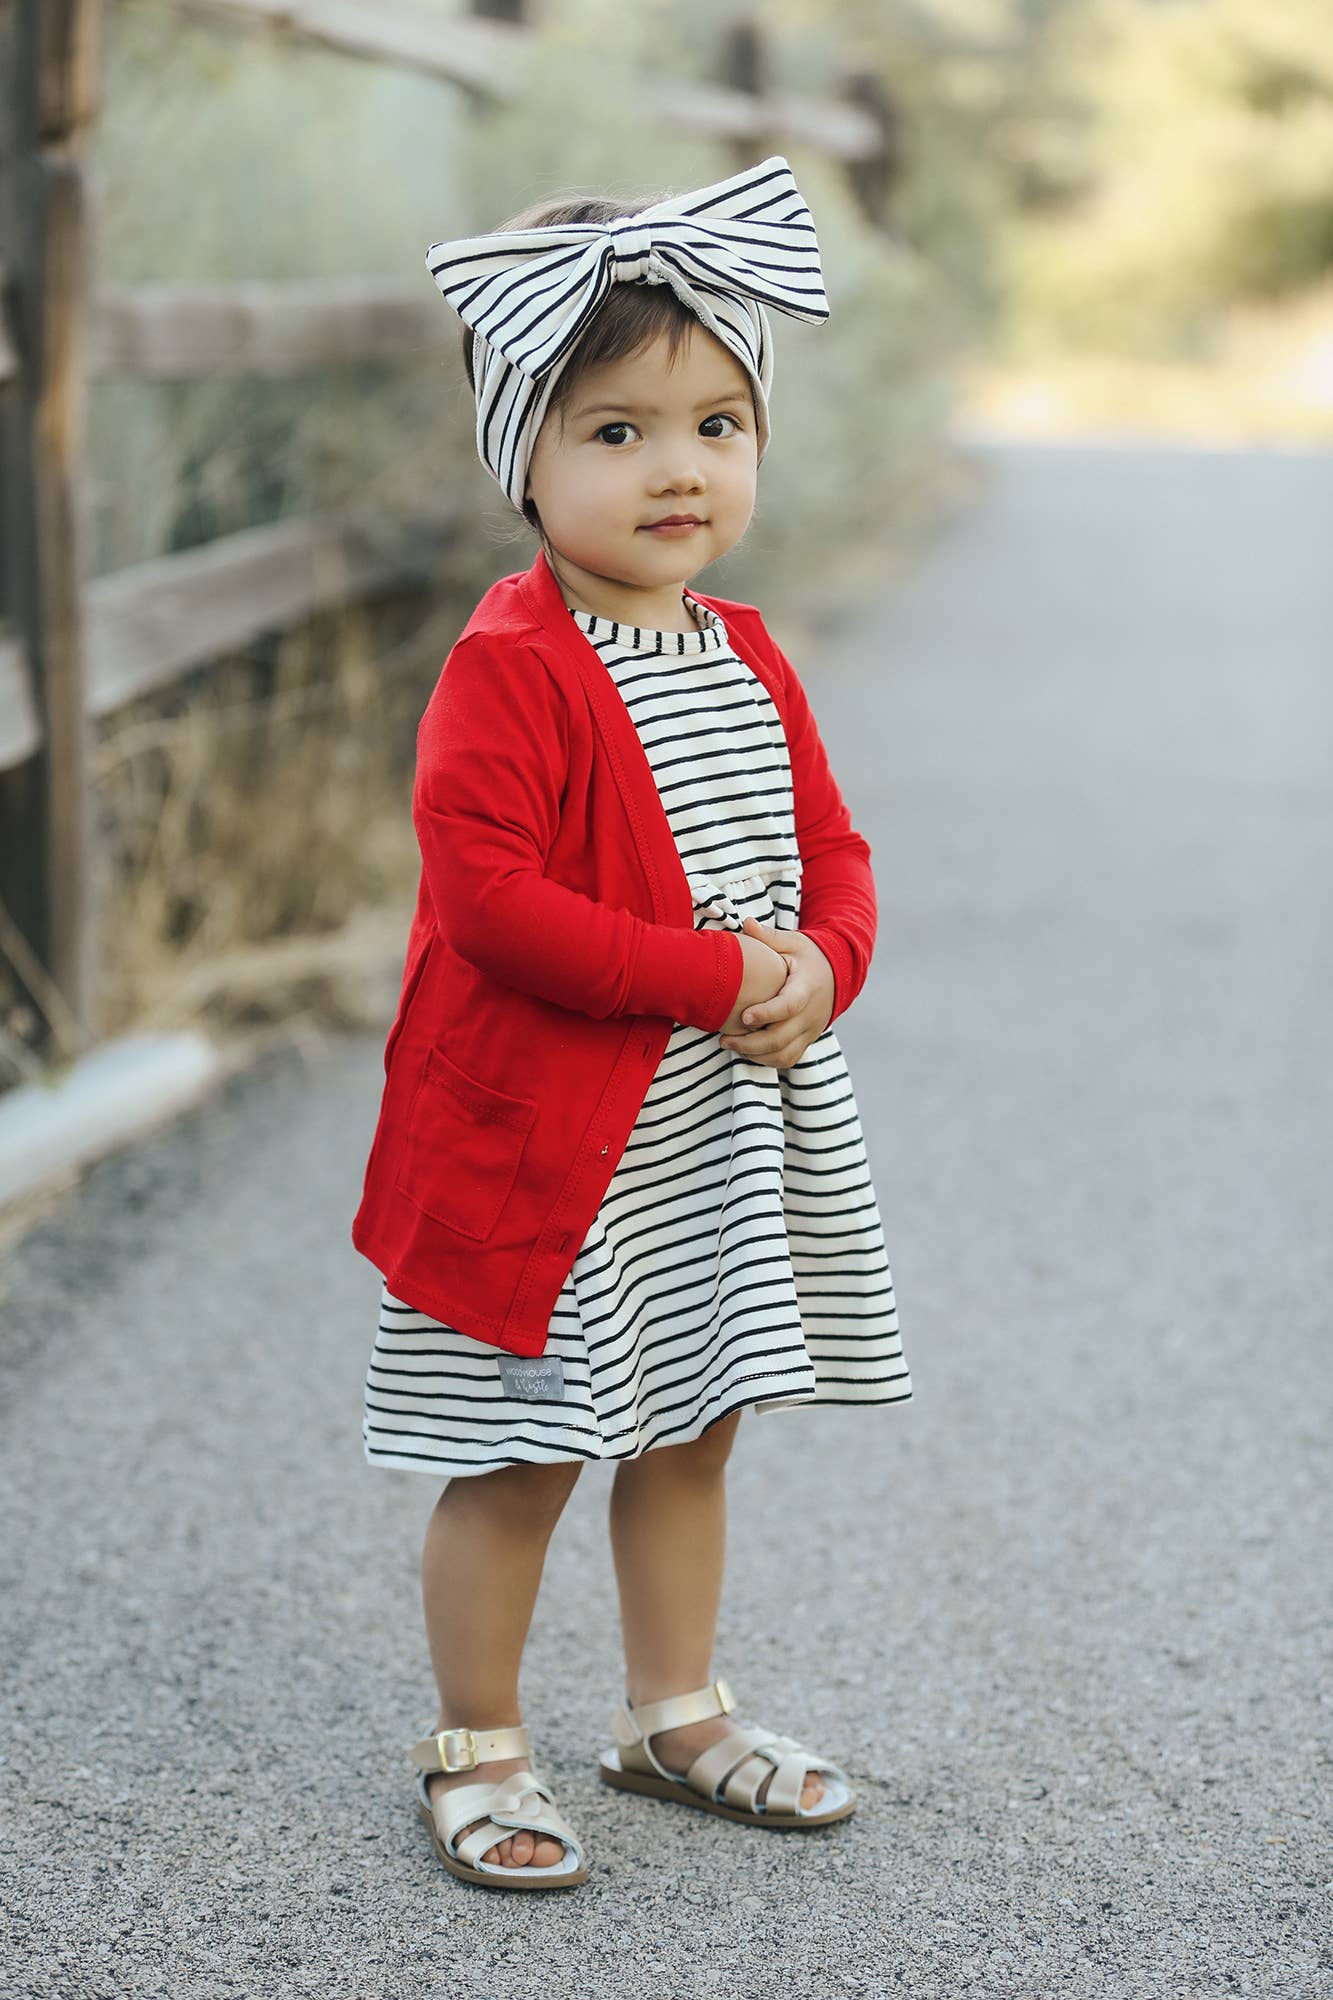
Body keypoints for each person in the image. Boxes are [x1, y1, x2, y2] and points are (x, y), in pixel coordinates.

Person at [350, 156, 913, 1891]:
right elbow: (493, 906)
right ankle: (480, 1744)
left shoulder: (743, 648)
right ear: (517, 452)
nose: (677, 466)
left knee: (692, 1422)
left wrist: (824, 960)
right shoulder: (509, 669)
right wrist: (715, 976)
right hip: (543, 1148)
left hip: (707, 1143)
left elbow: (832, 849)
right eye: (613, 431)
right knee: (520, 1450)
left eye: (717, 423)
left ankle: (673, 1710)